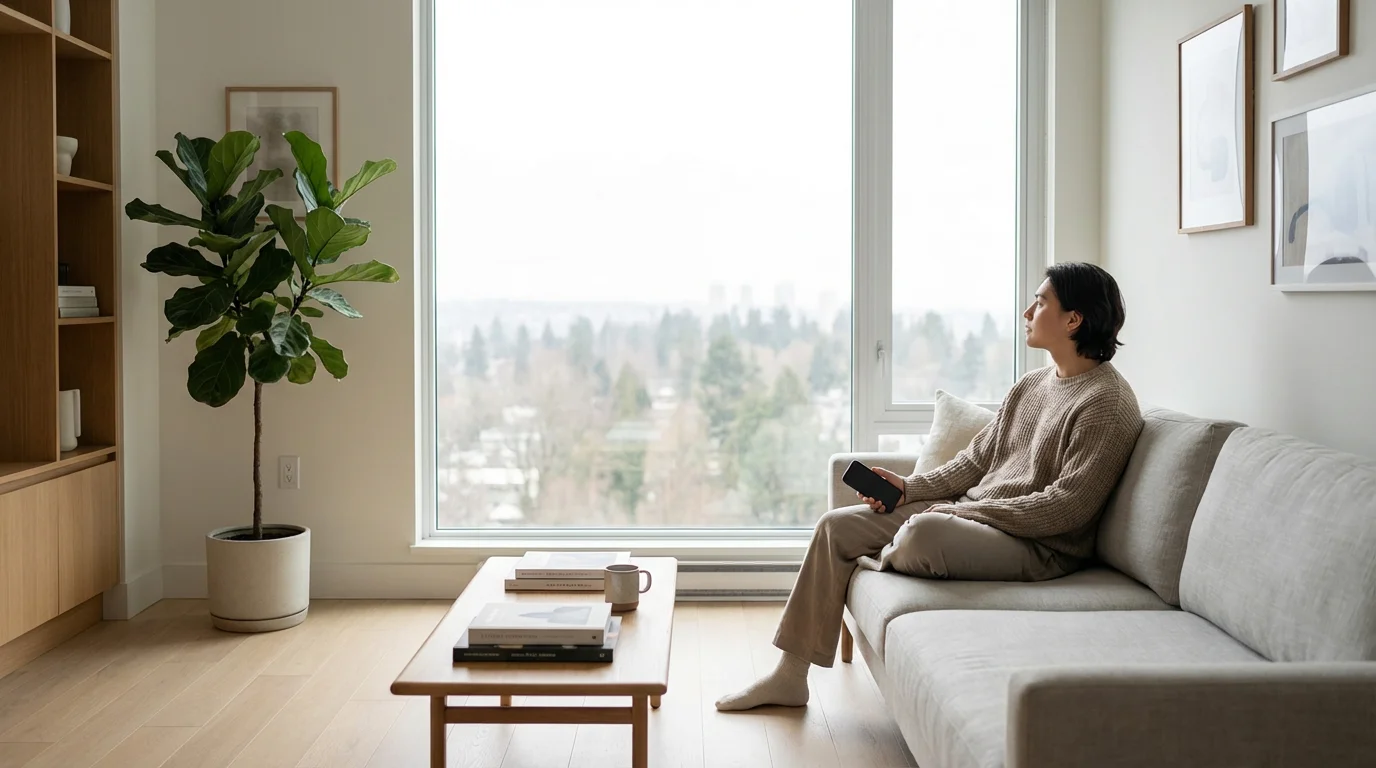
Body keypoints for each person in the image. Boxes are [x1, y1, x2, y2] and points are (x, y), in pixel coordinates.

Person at [715, 262, 1144, 711]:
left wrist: (957, 512)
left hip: (1039, 546)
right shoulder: (1032, 384)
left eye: (1040, 302)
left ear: (1073, 319)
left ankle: (889, 551)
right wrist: (908, 489)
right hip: (977, 519)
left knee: (923, 533)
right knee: (834, 528)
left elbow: (1065, 508)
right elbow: (976, 460)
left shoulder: (1106, 402)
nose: (1027, 312)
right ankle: (789, 676)